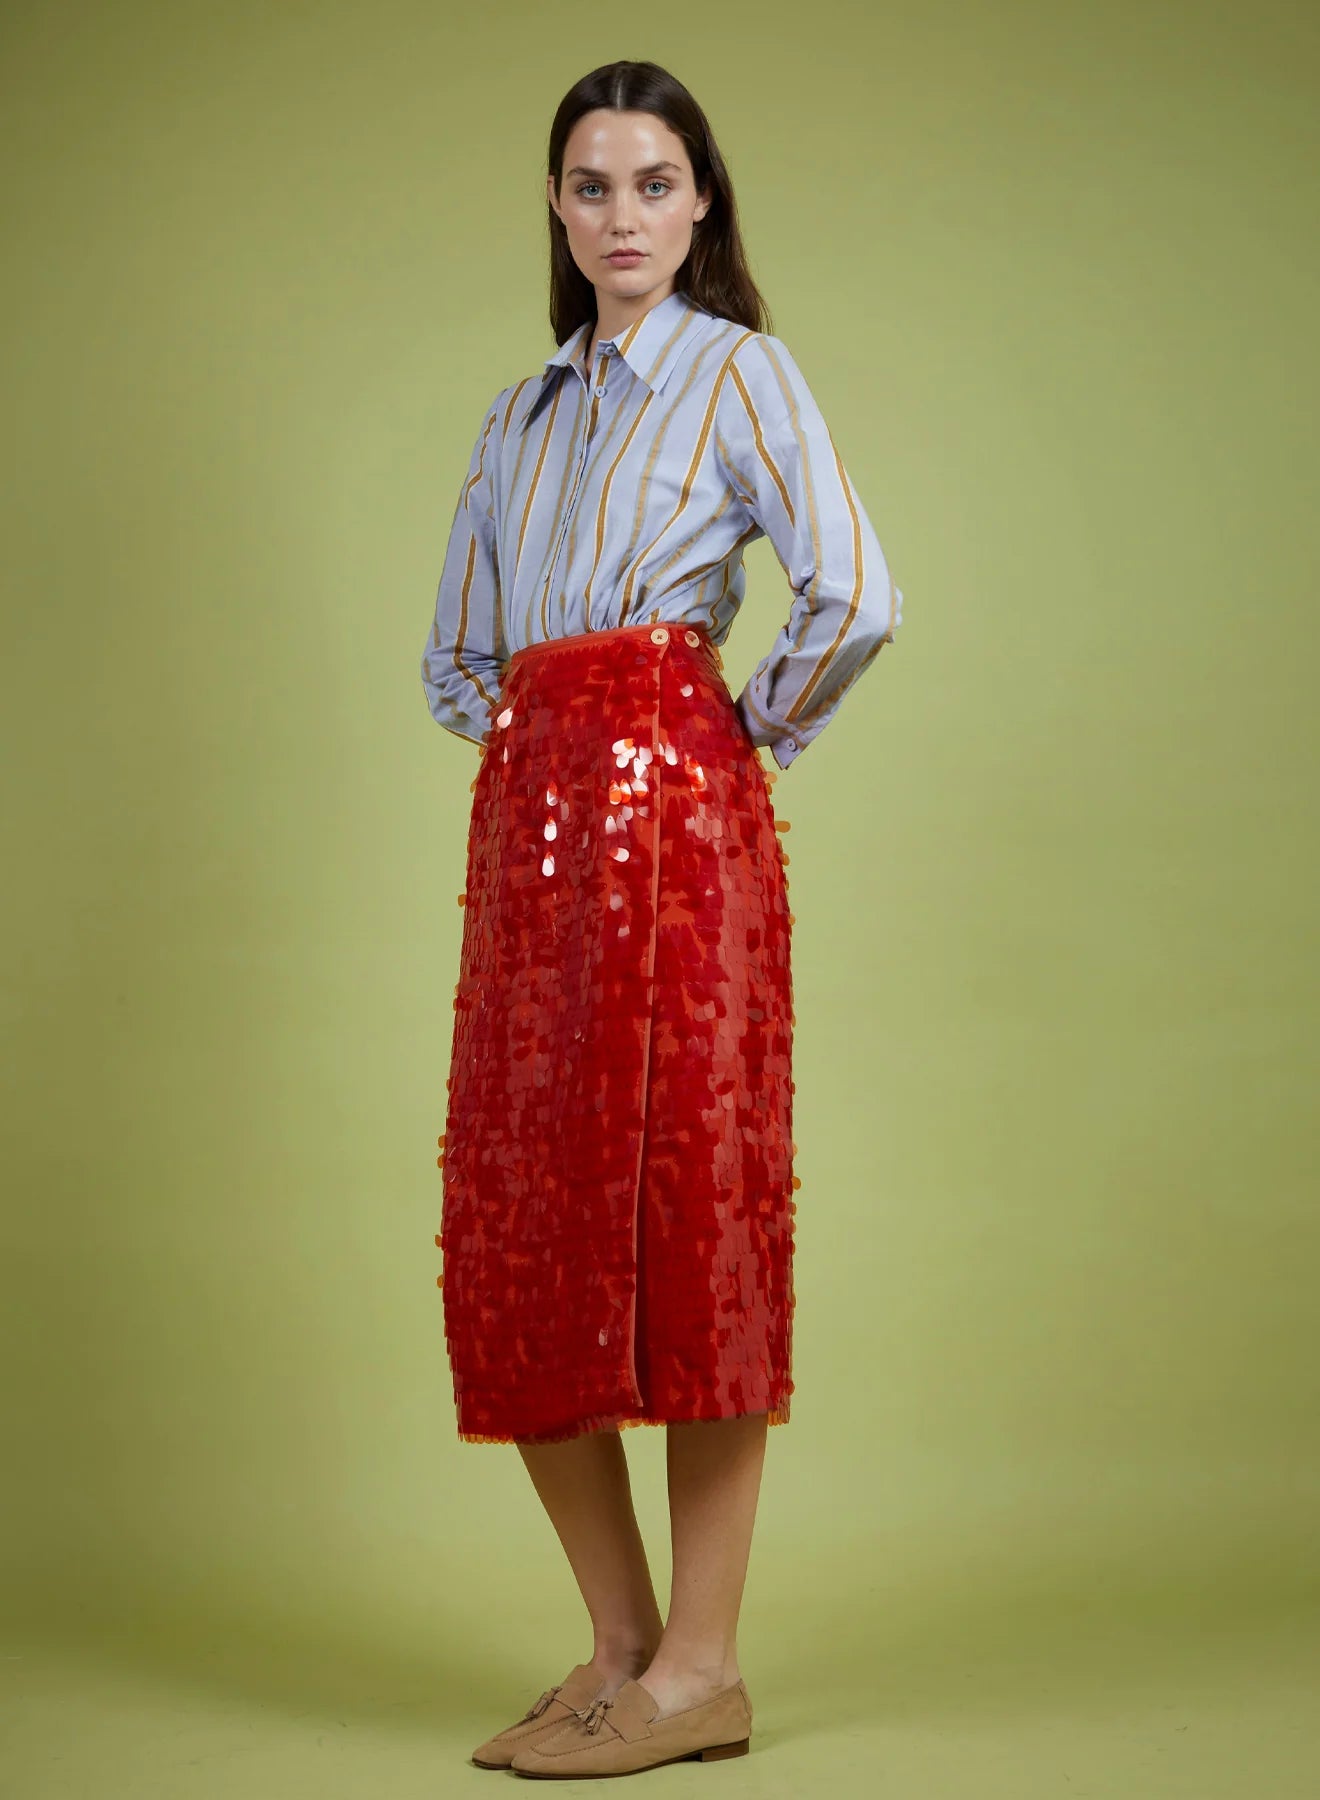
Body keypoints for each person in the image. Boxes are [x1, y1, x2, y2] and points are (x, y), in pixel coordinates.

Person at [420, 58, 904, 1780]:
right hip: (534, 844)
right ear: (557, 210)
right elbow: (455, 655)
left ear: (701, 204)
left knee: (691, 1216)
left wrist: (718, 725)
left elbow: (854, 589)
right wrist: (544, 743)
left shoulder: (738, 370)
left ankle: (703, 1671)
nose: (621, 214)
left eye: (652, 182)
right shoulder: (517, 417)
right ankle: (621, 1647)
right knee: (525, 1224)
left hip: (679, 829)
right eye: (590, 184)